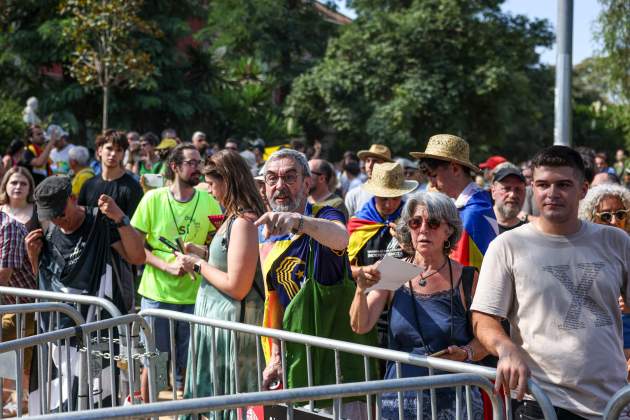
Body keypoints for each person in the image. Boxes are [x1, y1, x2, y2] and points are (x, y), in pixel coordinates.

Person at [471, 146, 630, 419]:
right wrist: (505, 348)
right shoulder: (508, 246)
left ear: (583, 189)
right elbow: (483, 317)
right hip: (540, 402)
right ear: (533, 187)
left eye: (563, 185)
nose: (552, 193)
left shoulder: (616, 241)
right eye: (543, 184)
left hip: (613, 403)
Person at [349, 192, 486, 419]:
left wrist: (465, 353)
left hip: (455, 401)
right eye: (415, 222)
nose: (423, 229)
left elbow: (487, 338)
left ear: (448, 230)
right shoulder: (393, 269)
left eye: (432, 223)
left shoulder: (467, 277)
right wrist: (361, 290)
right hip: (400, 400)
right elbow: (360, 326)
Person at [256, 149, 372, 417]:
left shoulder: (325, 214)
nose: (280, 186)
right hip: (292, 361)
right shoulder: (266, 232)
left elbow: (340, 238)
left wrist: (298, 222)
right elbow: (274, 301)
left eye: (289, 177)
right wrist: (275, 355)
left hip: (335, 363)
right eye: (272, 179)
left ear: (307, 183)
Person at [176, 150, 265, 418]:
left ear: (228, 180)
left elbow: (237, 285)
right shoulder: (236, 218)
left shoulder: (243, 222)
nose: (210, 191)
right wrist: (203, 253)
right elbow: (232, 262)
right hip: (221, 326)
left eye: (213, 184)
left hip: (233, 332)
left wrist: (198, 264)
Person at [131, 143, 222, 402]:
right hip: (156, 296)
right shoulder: (153, 198)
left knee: (193, 368)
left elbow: (219, 247)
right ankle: (148, 417)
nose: (199, 168)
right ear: (175, 166)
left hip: (196, 297)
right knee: (154, 365)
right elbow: (137, 247)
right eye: (192, 162)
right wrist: (167, 266)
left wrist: (199, 253)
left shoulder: (210, 201)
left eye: (199, 162)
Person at [347, 162, 417, 352]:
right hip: (369, 314)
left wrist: (410, 247)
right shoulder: (358, 225)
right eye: (384, 198)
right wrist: (364, 272)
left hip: (411, 313)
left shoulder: (415, 222)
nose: (390, 204)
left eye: (395, 198)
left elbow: (431, 261)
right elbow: (344, 268)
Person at [412, 134, 497, 270]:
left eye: (434, 176)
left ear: (455, 169)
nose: (432, 184)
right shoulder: (471, 203)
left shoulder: (472, 214)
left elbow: (460, 273)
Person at [0, 209, 37, 417]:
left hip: (28, 306)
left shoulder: (9, 227)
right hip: (10, 305)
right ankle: (17, 400)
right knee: (16, 355)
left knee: (23, 357)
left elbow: (2, 276)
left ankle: (22, 401)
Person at [79, 130, 143, 218]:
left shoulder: (133, 187)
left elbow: (134, 228)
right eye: (109, 148)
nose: (113, 154)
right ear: (99, 151)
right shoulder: (88, 185)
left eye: (119, 150)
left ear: (123, 155)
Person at [345, 144, 393, 216]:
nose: (370, 166)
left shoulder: (397, 196)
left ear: (387, 165)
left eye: (375, 161)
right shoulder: (353, 194)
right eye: (368, 161)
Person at [0, 167, 39, 232]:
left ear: (30, 188)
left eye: (23, 184)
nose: (18, 187)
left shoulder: (38, 211)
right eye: (14, 183)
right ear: (5, 185)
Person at [491, 165, 528, 233]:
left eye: (518, 189)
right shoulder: (478, 226)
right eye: (506, 188)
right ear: (493, 192)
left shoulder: (529, 233)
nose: (512, 195)